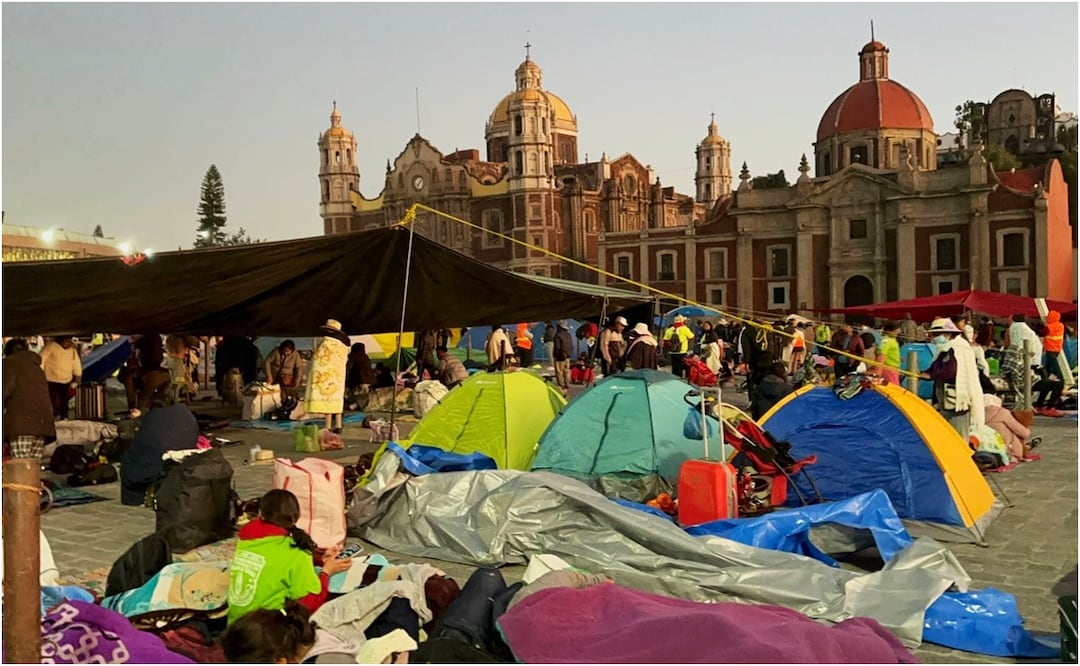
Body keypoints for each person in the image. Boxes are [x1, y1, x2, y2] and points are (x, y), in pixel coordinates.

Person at [227, 489, 352, 626]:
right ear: (297, 516)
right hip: (267, 637)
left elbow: (274, 559)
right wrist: (326, 573)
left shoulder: (245, 540)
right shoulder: (297, 551)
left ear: (260, 514)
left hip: (234, 630)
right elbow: (310, 602)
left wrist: (319, 559)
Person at [925, 318, 984, 442]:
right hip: (945, 400)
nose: (934, 338)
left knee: (959, 437)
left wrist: (932, 375)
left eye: (936, 335)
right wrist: (927, 373)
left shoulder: (958, 348)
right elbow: (936, 367)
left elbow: (951, 371)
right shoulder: (945, 349)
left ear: (948, 334)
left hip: (957, 400)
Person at [3, 338, 56, 460]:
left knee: (20, 463)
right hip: (43, 423)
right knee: (33, 465)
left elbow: (5, 390)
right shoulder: (36, 367)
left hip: (21, 423)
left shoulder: (9, 364)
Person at [304, 319, 351, 433]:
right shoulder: (344, 345)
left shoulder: (325, 342)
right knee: (337, 401)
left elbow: (317, 359)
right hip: (338, 377)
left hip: (326, 377)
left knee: (327, 402)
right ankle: (338, 425)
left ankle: (328, 425)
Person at [39, 336, 82, 420]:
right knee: (52, 399)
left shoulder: (72, 350)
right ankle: (54, 415)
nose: (69, 343)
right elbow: (42, 358)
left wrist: (78, 375)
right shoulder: (51, 346)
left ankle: (64, 415)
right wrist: (40, 372)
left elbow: (76, 363)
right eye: (67, 341)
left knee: (64, 400)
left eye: (70, 341)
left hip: (66, 379)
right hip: (51, 378)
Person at [876, 321, 902, 385]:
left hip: (894, 368)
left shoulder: (893, 339)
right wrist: (878, 372)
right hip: (888, 369)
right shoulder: (886, 340)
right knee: (893, 388)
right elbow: (881, 355)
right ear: (888, 331)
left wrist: (898, 358)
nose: (897, 333)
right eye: (894, 331)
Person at [552, 321, 574, 394]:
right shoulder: (568, 334)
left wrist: (555, 354)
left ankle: (561, 385)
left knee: (559, 371)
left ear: (559, 327)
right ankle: (567, 384)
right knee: (566, 371)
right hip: (567, 356)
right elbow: (571, 346)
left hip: (560, 357)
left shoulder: (557, 335)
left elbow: (557, 347)